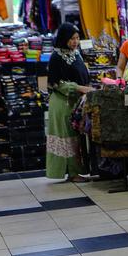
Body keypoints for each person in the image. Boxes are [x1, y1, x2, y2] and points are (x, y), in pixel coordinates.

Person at [47, 23, 93, 182]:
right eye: (72, 38)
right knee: (67, 137)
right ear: (64, 39)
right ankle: (72, 173)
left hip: (75, 101)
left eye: (77, 38)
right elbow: (56, 83)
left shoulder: (76, 53)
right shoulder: (56, 57)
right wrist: (80, 88)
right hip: (62, 103)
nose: (75, 42)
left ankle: (77, 170)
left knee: (75, 137)